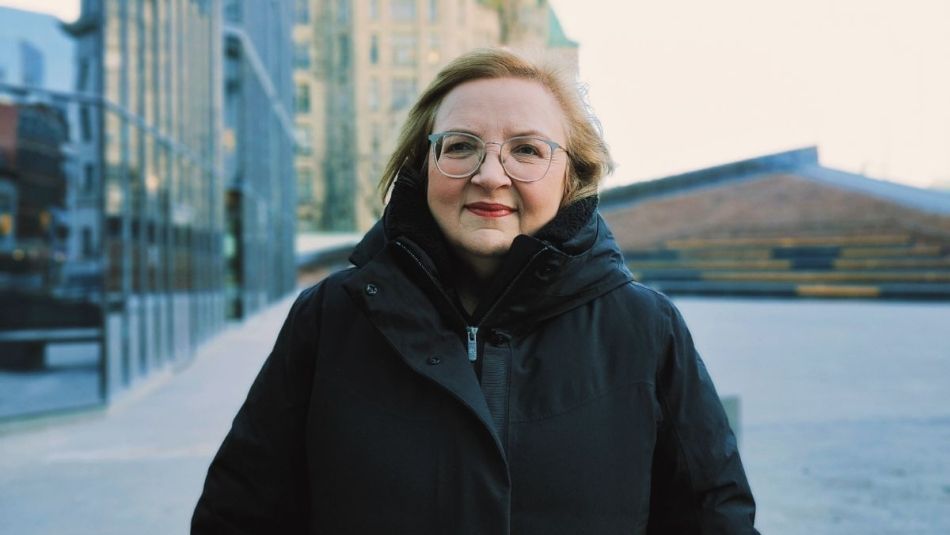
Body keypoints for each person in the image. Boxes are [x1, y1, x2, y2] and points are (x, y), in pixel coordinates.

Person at [192, 48, 758, 534]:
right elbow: (239, 517)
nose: (490, 174)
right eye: (461, 146)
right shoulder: (330, 317)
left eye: (528, 150)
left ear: (573, 176)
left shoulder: (645, 328)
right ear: (423, 165)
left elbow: (714, 520)